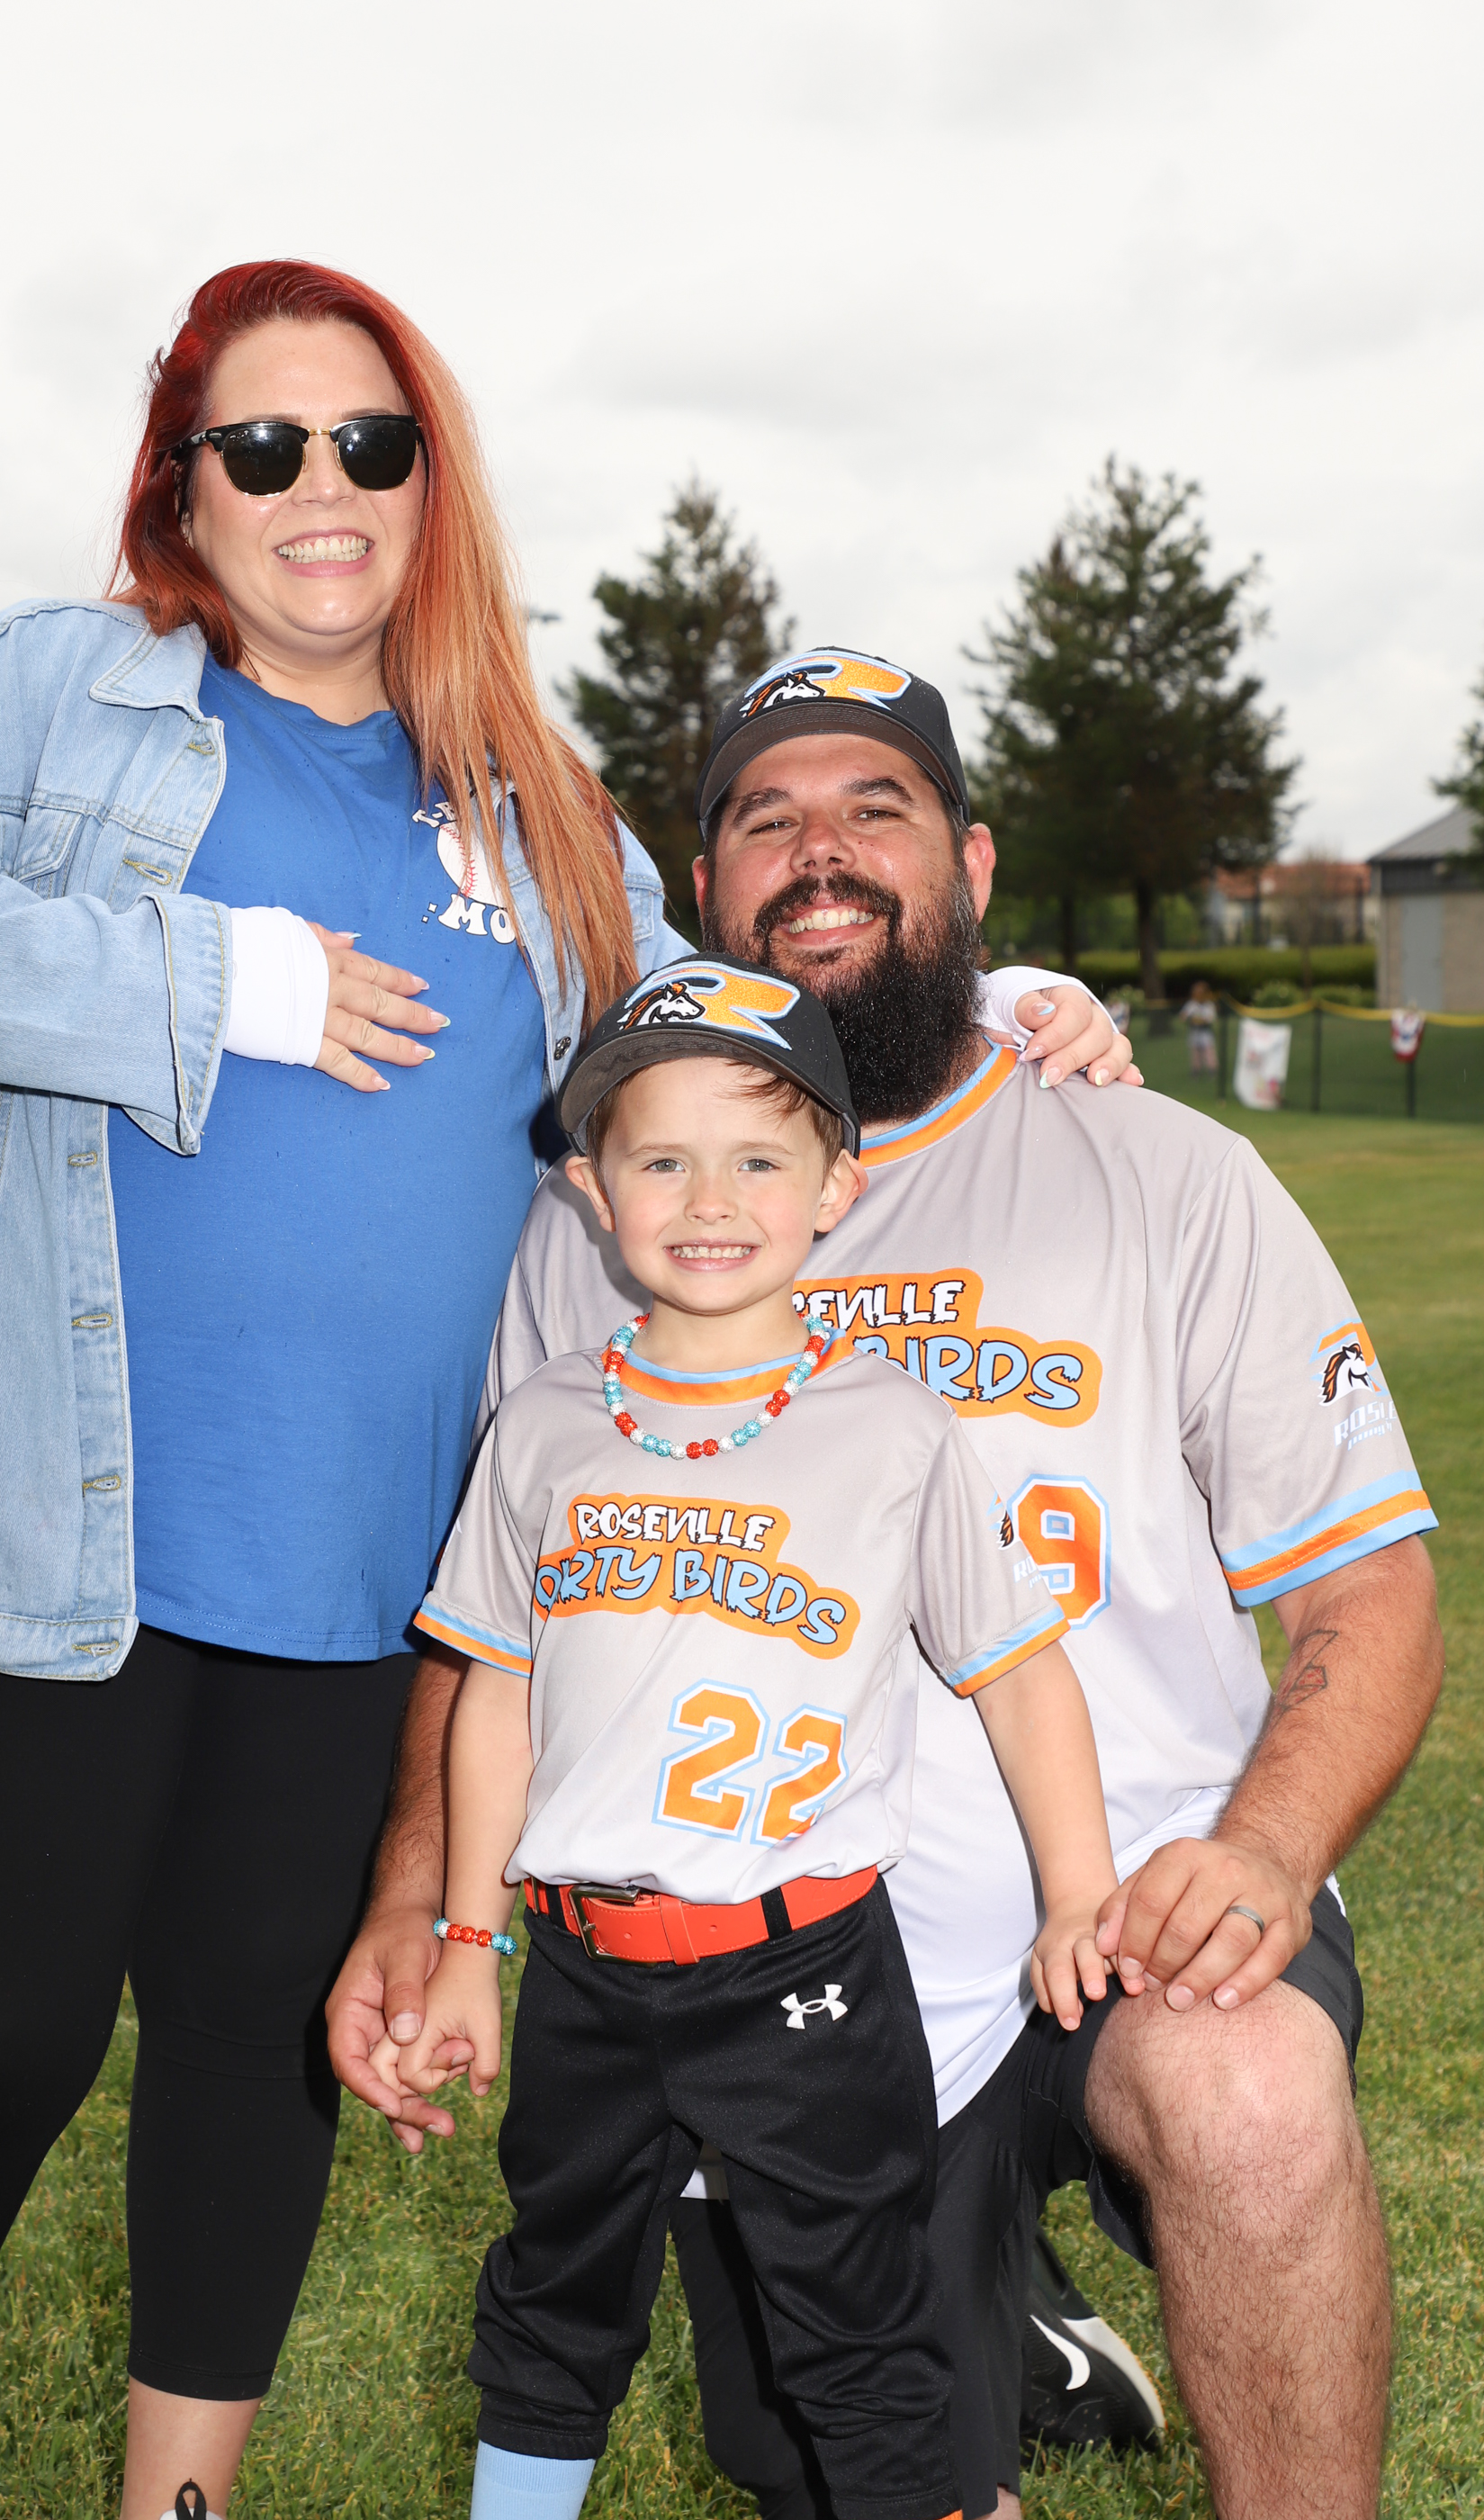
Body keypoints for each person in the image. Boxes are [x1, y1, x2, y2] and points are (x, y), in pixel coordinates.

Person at [0, 263, 1113, 2520]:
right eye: (263, 445)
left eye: (370, 443)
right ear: (181, 487)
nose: (324, 486)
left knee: (247, 2048)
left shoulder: (528, 805)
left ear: (428, 482)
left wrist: (1001, 987)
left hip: (361, 1565)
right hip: (32, 1530)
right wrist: (216, 980)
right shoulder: (53, 694)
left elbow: (728, 1027)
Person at [329, 645, 1444, 2520]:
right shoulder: (605, 1227)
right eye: (767, 820)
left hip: (1119, 1885)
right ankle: (1003, 2312)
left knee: (1242, 2084)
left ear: (971, 862)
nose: (820, 851)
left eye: (875, 807)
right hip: (769, 1960)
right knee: (841, 2461)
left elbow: (1372, 1597)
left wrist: (1260, 1854)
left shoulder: (1158, 1169)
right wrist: (415, 1901)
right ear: (708, 891)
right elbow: (500, 1617)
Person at [369, 967, 1120, 2520]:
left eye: (760, 1159)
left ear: (838, 1187)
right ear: (594, 1192)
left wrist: (1077, 1895)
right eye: (661, 1158)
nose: (710, 1201)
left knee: (857, 2324)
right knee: (553, 2298)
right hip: (584, 1967)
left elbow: (1019, 1676)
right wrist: (465, 1942)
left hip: (804, 1975)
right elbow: (495, 1696)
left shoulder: (894, 1427)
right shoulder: (547, 1422)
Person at [1183, 976, 1219, 1077]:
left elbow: (1211, 1018)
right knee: (1195, 1053)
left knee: (1209, 1052)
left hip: (1205, 1032)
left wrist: (1201, 1020)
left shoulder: (1209, 1005)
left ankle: (1212, 1069)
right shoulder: (1192, 1005)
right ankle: (1196, 1070)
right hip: (1194, 1032)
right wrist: (1191, 1019)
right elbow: (1183, 1016)